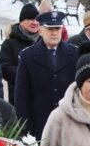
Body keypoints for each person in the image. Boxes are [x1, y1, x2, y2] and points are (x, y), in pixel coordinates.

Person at [14, 11, 78, 139]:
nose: (54, 33)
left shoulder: (75, 53)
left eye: (57, 28)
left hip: (69, 123)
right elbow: (21, 95)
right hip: (40, 124)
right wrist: (24, 126)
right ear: (40, 31)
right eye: (50, 29)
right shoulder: (28, 56)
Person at [0, 3, 40, 104]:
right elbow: (4, 68)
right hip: (19, 97)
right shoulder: (9, 43)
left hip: (41, 98)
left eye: (37, 19)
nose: (35, 22)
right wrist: (26, 74)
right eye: (30, 19)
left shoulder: (43, 41)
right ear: (21, 22)